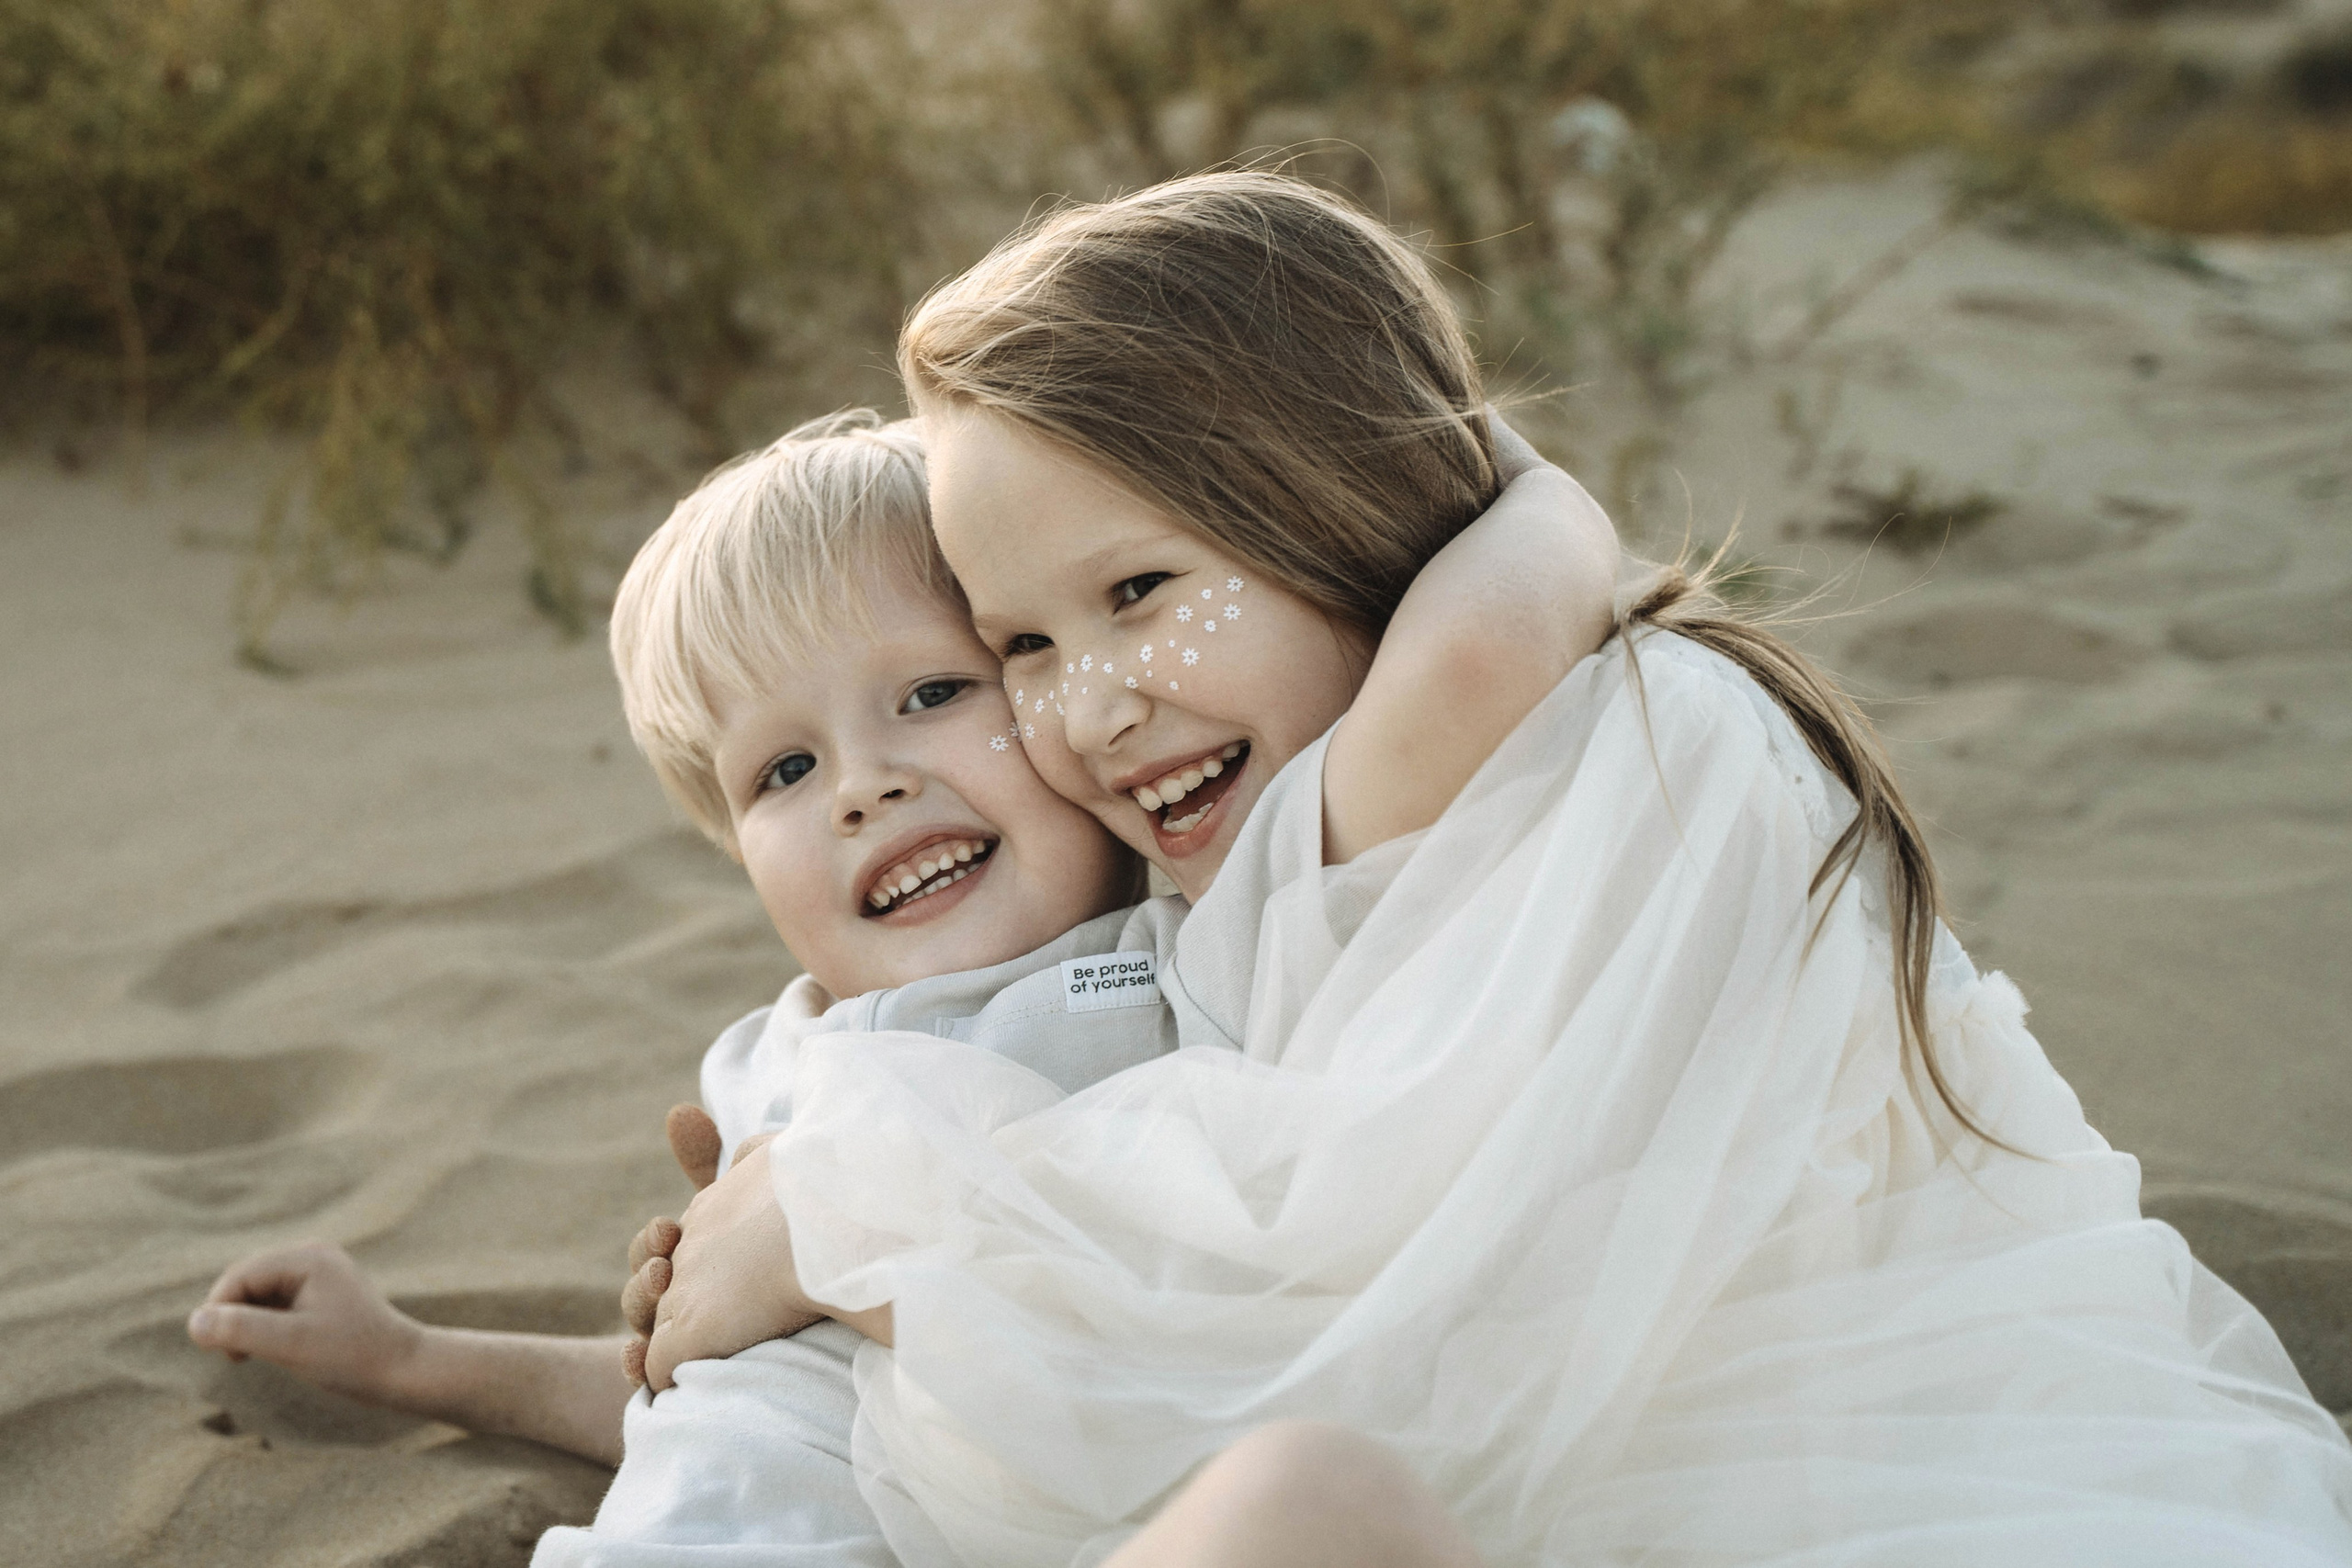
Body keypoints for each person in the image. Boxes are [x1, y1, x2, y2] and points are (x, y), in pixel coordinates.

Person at [636, 173, 2352, 1567]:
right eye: (1018, 639)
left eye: (1143, 592)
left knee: (1296, 1514)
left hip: (1841, 1486)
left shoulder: (1559, 753)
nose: (1091, 705)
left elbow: (1301, 1311)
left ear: (1333, 497)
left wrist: (843, 1230)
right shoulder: (1273, 847)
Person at [190, 401, 1620, 1566]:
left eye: (934, 694)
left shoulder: (1185, 982)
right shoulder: (778, 1065)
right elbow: (732, 1400)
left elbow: (1197, 1341)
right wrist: (416, 1360)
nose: (867, 787)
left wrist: (1495, 456)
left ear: (1058, 693)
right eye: (785, 771)